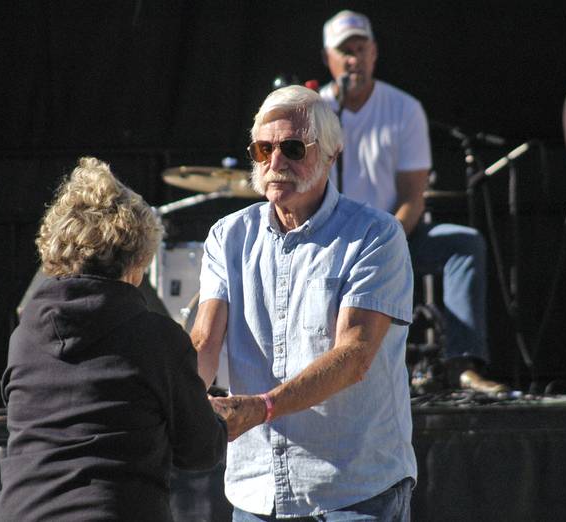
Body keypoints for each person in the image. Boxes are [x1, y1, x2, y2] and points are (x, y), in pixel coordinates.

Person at [191, 85, 416, 520]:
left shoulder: (376, 235)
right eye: (263, 149)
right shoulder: (227, 236)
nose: (276, 163)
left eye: (293, 148)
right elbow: (203, 341)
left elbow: (354, 356)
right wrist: (178, 402)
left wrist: (263, 407)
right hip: (257, 492)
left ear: (331, 156)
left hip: (353, 488)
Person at [0, 157, 227, 521]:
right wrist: (223, 416)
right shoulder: (157, 338)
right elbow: (199, 451)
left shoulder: (25, 336)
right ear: (138, 258)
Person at [317, 10, 506, 393]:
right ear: (328, 59)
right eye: (344, 51)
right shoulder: (316, 112)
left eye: (360, 48)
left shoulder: (404, 108)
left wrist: (383, 242)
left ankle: (462, 366)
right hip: (329, 241)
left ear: (374, 53)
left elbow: (412, 198)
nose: (353, 58)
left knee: (464, 244)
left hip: (395, 235)